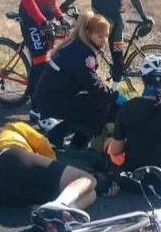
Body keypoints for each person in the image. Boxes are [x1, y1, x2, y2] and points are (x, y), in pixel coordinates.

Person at [0, 121, 98, 232]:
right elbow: (44, 145)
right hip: (12, 158)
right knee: (88, 178)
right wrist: (56, 168)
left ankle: (61, 216)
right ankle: (60, 205)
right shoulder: (14, 127)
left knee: (91, 193)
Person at [33, 9, 127, 149]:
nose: (105, 40)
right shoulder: (82, 53)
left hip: (50, 97)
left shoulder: (77, 45)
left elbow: (89, 81)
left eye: (106, 36)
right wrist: (116, 97)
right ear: (89, 34)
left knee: (97, 102)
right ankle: (68, 140)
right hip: (52, 100)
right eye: (100, 36)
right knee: (101, 105)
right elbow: (92, 84)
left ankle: (73, 140)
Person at [106, 55, 161, 196]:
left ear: (142, 79)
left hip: (134, 183)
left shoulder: (129, 107)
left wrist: (108, 143)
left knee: (109, 144)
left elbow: (115, 151)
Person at [19, 0, 71, 121]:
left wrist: (60, 16)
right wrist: (41, 21)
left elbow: (50, 0)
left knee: (45, 60)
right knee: (42, 62)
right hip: (31, 17)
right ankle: (37, 110)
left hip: (45, 19)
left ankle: (35, 99)